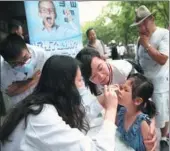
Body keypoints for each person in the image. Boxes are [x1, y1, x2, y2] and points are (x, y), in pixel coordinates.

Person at [0, 55, 118, 151]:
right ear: (65, 85)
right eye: (79, 80)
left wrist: (102, 100)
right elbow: (99, 149)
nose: (82, 86)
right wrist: (111, 110)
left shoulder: (41, 104)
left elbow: (75, 121)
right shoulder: (40, 117)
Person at [76, 47, 157, 151]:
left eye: (100, 68)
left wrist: (151, 125)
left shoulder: (125, 70)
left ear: (103, 58)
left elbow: (145, 95)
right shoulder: (92, 86)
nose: (100, 77)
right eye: (93, 77)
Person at [130, 5, 169, 149]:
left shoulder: (163, 33)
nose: (142, 28)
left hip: (160, 81)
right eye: (139, 26)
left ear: (152, 19)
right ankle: (147, 136)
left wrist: (146, 44)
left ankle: (164, 137)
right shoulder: (139, 39)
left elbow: (162, 59)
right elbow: (138, 59)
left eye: (144, 23)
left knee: (162, 111)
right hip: (144, 80)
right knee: (145, 109)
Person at [0, 34, 51, 109]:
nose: (23, 64)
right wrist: (33, 80)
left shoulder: (41, 54)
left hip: (43, 97)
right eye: (15, 63)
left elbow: (47, 76)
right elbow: (11, 93)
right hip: (20, 103)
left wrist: (19, 84)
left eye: (25, 57)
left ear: (27, 47)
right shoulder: (2, 71)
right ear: (7, 61)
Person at [117, 73, 156, 151]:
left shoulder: (142, 123)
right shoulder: (121, 113)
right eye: (121, 88)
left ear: (137, 101)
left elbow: (151, 149)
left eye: (125, 90)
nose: (120, 91)